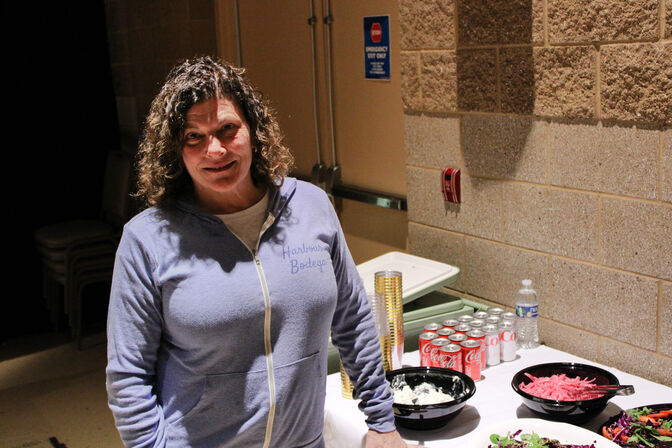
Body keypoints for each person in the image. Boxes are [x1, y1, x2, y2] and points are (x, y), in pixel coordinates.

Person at [106, 56, 414, 448]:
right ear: (175, 151)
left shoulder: (312, 208)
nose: (214, 150)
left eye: (227, 129)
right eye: (193, 137)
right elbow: (128, 376)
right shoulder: (148, 240)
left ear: (254, 129)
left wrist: (382, 422)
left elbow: (353, 321)